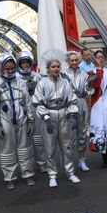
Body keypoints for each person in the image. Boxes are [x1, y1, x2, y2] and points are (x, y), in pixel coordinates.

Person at [32, 52, 81, 187]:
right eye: (53, 67)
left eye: (58, 66)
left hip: (63, 115)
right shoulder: (42, 83)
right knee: (50, 147)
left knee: (67, 146)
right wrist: (46, 116)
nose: (56, 69)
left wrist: (71, 113)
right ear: (48, 69)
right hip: (49, 115)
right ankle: (52, 175)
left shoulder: (65, 82)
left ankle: (70, 173)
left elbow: (72, 99)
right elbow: (37, 102)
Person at [0, 52, 36, 190]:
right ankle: (9, 177)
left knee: (25, 147)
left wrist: (31, 120)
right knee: (7, 149)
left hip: (21, 118)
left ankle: (27, 174)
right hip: (5, 119)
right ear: (1, 68)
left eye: (12, 68)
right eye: (7, 69)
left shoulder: (21, 82)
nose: (10, 71)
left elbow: (27, 102)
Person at [17, 50, 47, 173]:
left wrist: (36, 88)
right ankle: (26, 168)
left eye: (27, 62)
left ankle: (42, 163)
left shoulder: (37, 76)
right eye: (23, 62)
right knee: (24, 141)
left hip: (35, 109)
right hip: (22, 110)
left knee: (38, 139)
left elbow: (44, 92)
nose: (25, 65)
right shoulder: (16, 78)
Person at [62, 51, 92, 172]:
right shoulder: (62, 74)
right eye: (71, 60)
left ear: (79, 61)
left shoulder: (84, 74)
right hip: (68, 105)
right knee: (68, 134)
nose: (74, 62)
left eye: (76, 60)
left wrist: (86, 90)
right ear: (68, 61)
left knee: (82, 132)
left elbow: (89, 91)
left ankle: (81, 160)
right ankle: (69, 162)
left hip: (81, 104)